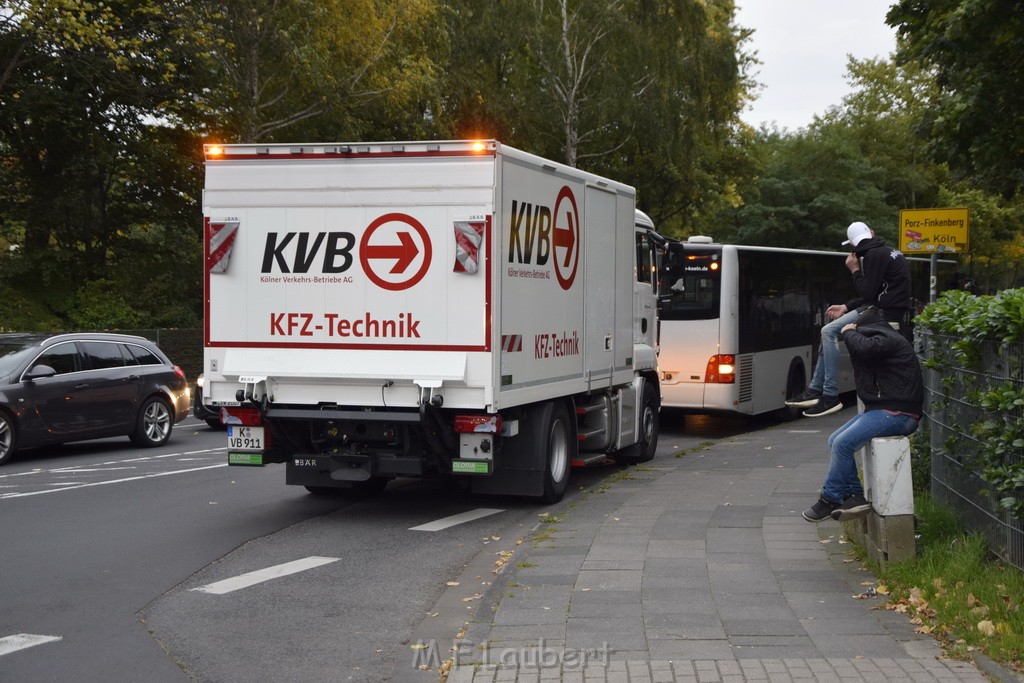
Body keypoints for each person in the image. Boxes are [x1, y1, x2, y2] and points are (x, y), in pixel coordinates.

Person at [802, 305, 923, 523]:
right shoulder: (881, 336)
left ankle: (830, 499)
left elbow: (864, 348)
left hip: (899, 413)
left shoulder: (885, 338)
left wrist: (848, 330)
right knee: (834, 441)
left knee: (843, 443)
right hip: (886, 409)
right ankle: (854, 496)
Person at [787, 221, 913, 418]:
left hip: (882, 312)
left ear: (852, 244)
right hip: (885, 307)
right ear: (871, 233)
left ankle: (830, 395)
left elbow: (867, 291)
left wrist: (854, 269)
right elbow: (873, 293)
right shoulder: (888, 251)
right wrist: (846, 307)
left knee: (828, 331)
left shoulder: (872, 256)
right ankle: (814, 390)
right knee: (828, 333)